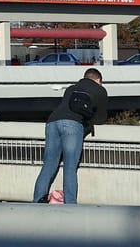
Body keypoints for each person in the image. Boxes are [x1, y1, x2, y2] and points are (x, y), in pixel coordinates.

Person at [31, 68, 107, 203]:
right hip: (73, 124)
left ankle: (37, 201)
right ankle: (70, 204)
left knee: (48, 165)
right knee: (70, 167)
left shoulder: (71, 88)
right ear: (98, 80)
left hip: (52, 122)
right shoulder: (99, 90)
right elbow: (101, 118)